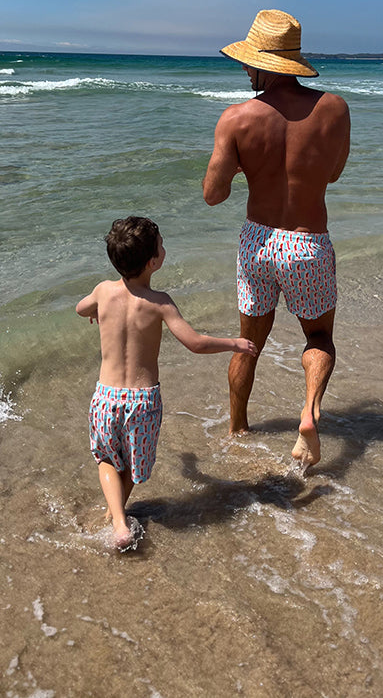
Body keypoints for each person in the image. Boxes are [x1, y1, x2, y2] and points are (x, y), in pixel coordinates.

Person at [202, 9, 350, 466]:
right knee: (319, 337)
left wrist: (249, 165)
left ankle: (237, 428)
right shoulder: (334, 109)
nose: (245, 69)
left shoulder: (236, 119)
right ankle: (308, 412)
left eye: (249, 62)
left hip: (257, 243)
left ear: (267, 64)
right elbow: (335, 174)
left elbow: (213, 194)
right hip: (306, 243)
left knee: (249, 342)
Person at [76, 216, 258, 549]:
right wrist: (234, 343)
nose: (164, 247)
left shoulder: (103, 291)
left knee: (106, 459)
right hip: (143, 403)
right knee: (131, 465)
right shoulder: (160, 302)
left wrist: (95, 311)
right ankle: (117, 518)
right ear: (153, 262)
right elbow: (195, 342)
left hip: (106, 397)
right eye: (161, 244)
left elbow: (79, 307)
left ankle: (116, 519)